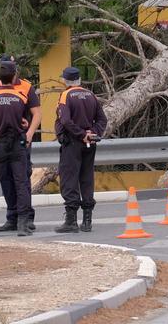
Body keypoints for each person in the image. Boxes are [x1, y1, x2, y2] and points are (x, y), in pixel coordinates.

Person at [0, 57, 40, 237]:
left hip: (5, 142)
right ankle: (18, 221)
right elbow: (34, 114)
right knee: (19, 182)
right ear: (14, 74)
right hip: (15, 142)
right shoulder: (17, 94)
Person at [54, 67, 107, 233]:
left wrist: (80, 134)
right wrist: (93, 134)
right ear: (79, 79)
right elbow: (102, 119)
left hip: (73, 143)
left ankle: (71, 221)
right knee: (86, 178)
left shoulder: (66, 95)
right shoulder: (90, 95)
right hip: (89, 143)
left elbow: (65, 121)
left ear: (65, 80)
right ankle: (87, 221)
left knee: (69, 179)